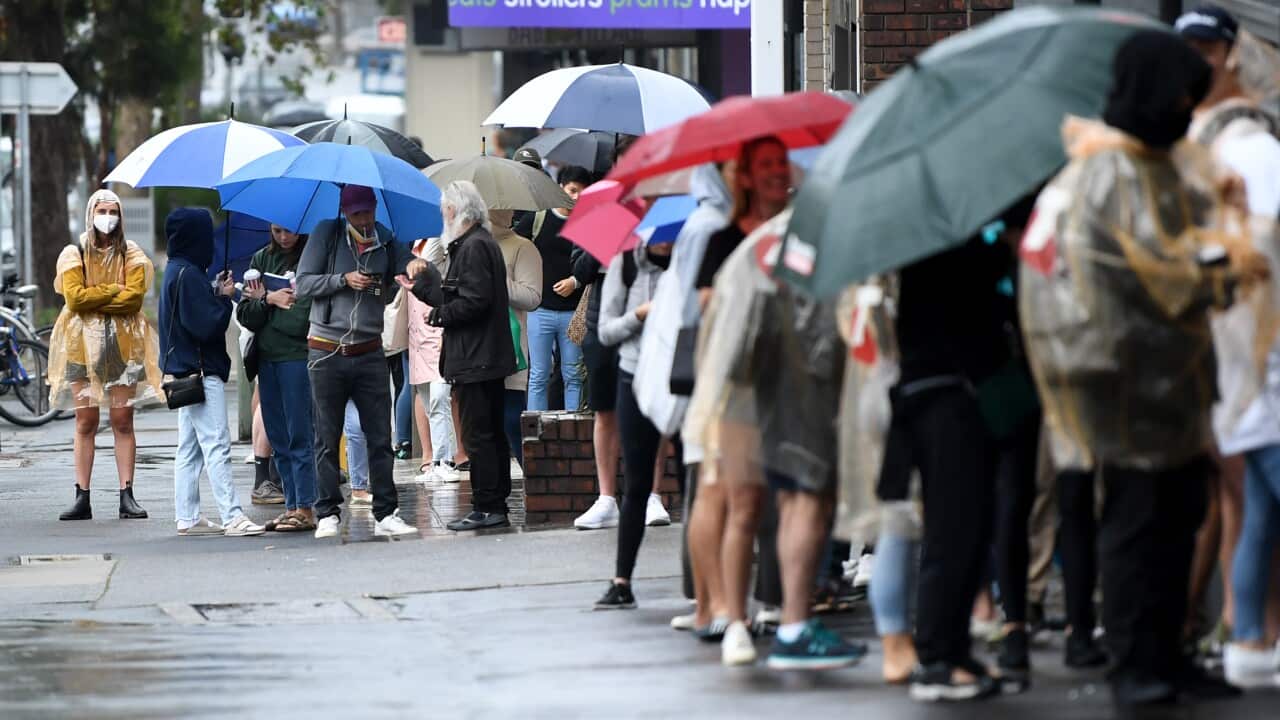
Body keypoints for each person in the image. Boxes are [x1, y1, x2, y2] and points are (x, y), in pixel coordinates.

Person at [1020, 31, 1267, 705]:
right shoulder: (1108, 173)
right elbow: (1149, 272)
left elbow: (1185, 246)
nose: (1189, 108)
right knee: (1137, 523)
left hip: (1172, 385)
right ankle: (1134, 660)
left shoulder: (1157, 164)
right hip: (1124, 385)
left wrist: (1228, 223)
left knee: (1177, 516)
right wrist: (1223, 263)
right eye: (1183, 94)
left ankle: (1168, 651)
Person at [1180, 4, 1280, 688]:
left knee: (1243, 503)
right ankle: (1244, 632)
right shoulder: (1249, 150)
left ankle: (1247, 635)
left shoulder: (1190, 152)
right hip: (1249, 354)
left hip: (1218, 355)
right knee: (1245, 498)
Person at [691, 137, 791, 662]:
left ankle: (792, 613)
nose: (778, 172)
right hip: (740, 386)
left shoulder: (799, 233)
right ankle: (734, 617)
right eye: (766, 165)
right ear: (746, 177)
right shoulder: (723, 239)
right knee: (742, 501)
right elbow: (710, 308)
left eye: (782, 162)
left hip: (794, 384)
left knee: (797, 502)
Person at [295, 184, 418, 539]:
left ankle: (386, 511)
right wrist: (342, 279)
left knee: (380, 435)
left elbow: (405, 264)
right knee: (327, 435)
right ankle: (328, 512)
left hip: (369, 350)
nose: (364, 221)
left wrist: (414, 266)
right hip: (326, 349)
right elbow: (303, 285)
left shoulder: (384, 238)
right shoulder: (326, 234)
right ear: (345, 212)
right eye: (357, 214)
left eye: (369, 212)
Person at [403, 180, 516, 531]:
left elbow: (474, 301)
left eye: (443, 211)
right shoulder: (477, 243)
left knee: (479, 434)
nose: (442, 217)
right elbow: (458, 294)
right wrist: (423, 289)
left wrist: (439, 316)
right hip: (483, 354)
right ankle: (493, 502)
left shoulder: (473, 247)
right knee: (489, 432)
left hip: (476, 355)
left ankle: (487, 505)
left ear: (453, 211)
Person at [48, 189, 164, 522]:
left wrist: (95, 296)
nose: (108, 216)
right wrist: (114, 289)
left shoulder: (133, 254)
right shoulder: (74, 254)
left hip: (122, 347)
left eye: (113, 210)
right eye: (101, 210)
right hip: (81, 347)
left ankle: (127, 494)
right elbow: (74, 299)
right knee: (85, 420)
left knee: (122, 420)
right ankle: (81, 496)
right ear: (90, 213)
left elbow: (134, 300)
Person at [158, 208, 265, 538]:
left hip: (185, 373)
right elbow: (206, 325)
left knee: (189, 449)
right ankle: (232, 515)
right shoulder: (189, 274)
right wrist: (222, 300)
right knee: (216, 444)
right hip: (202, 372)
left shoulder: (177, 270)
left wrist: (214, 291)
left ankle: (187, 514)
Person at [591, 237, 674, 610]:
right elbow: (606, 331)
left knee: (695, 479)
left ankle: (702, 584)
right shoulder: (624, 264)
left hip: (682, 376)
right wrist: (640, 314)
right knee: (636, 482)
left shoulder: (691, 263)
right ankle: (621, 580)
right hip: (635, 375)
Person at [237, 225, 317, 532]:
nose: (283, 237)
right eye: (277, 231)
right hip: (266, 359)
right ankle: (291, 505)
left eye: (289, 232)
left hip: (296, 358)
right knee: (278, 435)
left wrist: (267, 310)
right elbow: (246, 314)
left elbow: (301, 319)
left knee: (300, 433)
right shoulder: (261, 259)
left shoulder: (309, 260)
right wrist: (270, 300)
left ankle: (306, 506)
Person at [515, 164, 592, 412]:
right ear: (560, 189)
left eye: (583, 191)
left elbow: (592, 260)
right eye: (572, 190)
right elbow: (514, 244)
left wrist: (575, 281)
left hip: (573, 312)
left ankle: (573, 434)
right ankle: (534, 435)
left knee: (574, 374)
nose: (577, 196)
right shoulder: (539, 218)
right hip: (540, 309)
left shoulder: (588, 221)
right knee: (538, 374)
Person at [406, 237, 461, 484]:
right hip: (417, 336)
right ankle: (437, 461)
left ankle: (445, 460)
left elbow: (425, 264)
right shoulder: (410, 245)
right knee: (429, 401)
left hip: (437, 330)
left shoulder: (437, 241)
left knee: (441, 398)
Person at [490, 207, 543, 464]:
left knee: (511, 417)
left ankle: (531, 477)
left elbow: (532, 297)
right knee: (481, 424)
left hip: (510, 344)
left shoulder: (523, 247)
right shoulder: (464, 244)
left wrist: (497, 278)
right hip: (474, 346)